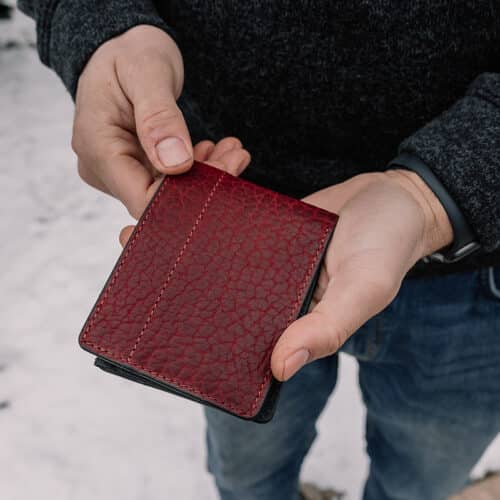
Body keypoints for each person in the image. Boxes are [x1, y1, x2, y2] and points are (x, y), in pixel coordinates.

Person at [18, 2, 500, 499]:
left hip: (473, 262)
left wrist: (438, 195)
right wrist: (104, 28)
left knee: (420, 483)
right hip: (229, 233)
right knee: (249, 471)